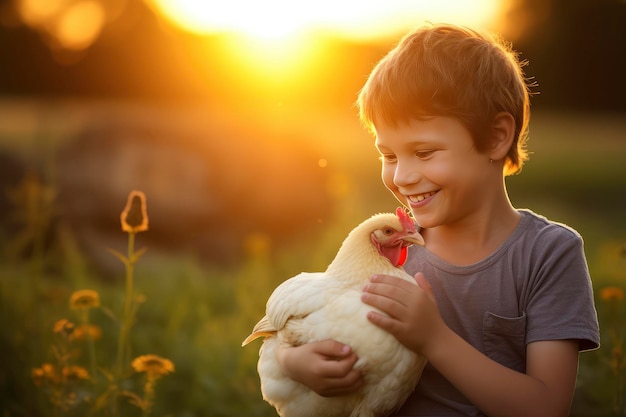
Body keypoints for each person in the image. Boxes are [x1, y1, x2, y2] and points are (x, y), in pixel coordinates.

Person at [275, 23, 600, 416]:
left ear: (497, 137)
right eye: (389, 156)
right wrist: (297, 364)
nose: (402, 176)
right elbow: (302, 330)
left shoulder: (547, 254)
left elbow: (547, 407)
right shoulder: (387, 249)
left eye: (424, 152)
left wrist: (434, 339)